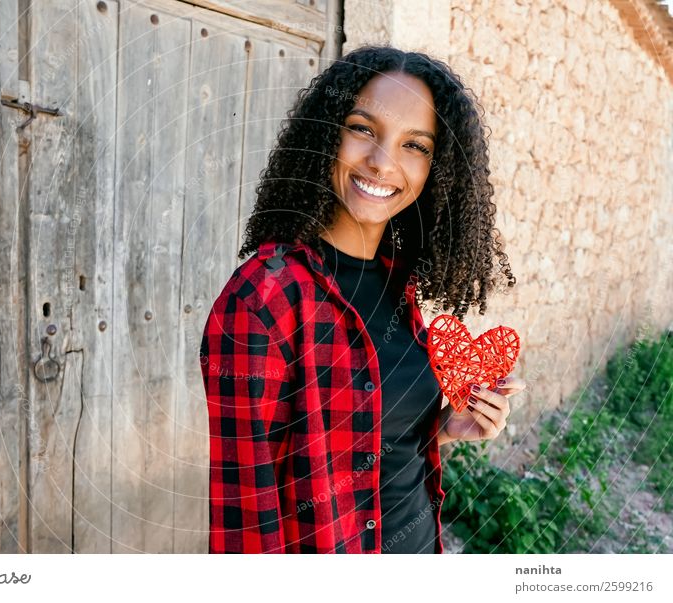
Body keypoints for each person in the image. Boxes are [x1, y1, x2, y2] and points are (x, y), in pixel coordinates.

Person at [199, 45, 526, 554]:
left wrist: (443, 426)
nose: (382, 162)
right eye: (363, 129)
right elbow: (246, 517)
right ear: (328, 132)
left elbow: (363, 441)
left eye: (415, 145)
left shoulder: (398, 286)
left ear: (436, 170)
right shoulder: (267, 297)